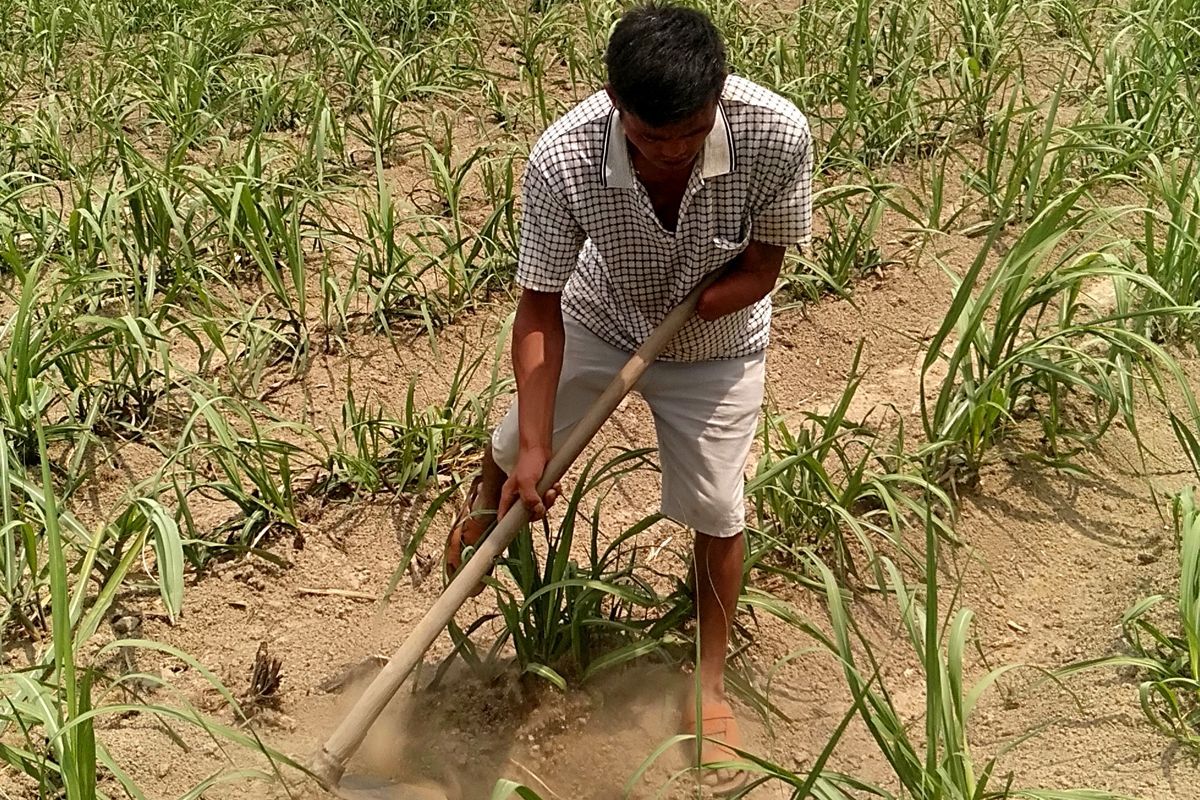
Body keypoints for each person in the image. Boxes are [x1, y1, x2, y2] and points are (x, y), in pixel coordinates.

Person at [444, 1, 812, 791]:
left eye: (690, 135)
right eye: (652, 140)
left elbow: (765, 264)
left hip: (718, 338)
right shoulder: (563, 158)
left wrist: (729, 294)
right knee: (517, 447)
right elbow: (539, 305)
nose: (673, 154)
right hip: (600, 313)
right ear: (615, 105)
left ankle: (706, 684)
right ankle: (486, 497)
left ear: (719, 96)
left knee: (718, 507)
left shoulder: (775, 132)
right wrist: (541, 444)